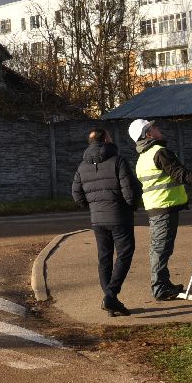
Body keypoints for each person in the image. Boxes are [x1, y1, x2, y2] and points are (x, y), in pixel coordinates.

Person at [129, 118, 192, 301]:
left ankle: (164, 283)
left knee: (159, 248)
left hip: (156, 207)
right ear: (148, 134)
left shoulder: (143, 156)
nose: (158, 128)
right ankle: (160, 288)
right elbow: (182, 175)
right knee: (161, 249)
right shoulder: (160, 153)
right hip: (164, 206)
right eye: (153, 127)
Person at [70, 128, 138, 317]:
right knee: (125, 254)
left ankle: (111, 301)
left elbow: (76, 194)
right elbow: (129, 191)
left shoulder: (82, 166)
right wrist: (132, 206)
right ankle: (110, 295)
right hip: (120, 217)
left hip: (97, 219)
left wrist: (92, 206)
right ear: (106, 139)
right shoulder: (118, 161)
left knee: (104, 258)